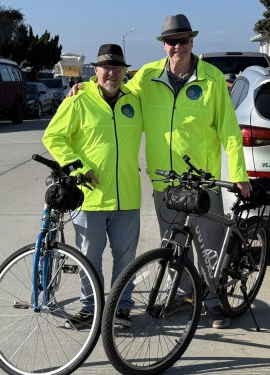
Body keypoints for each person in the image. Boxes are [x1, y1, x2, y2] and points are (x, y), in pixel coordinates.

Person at [68, 15, 251, 329]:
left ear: (193, 41)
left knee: (210, 246)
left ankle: (212, 301)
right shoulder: (148, 76)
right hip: (165, 181)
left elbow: (229, 131)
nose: (177, 46)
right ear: (164, 45)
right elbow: (115, 88)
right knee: (172, 246)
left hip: (201, 179)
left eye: (182, 40)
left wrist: (238, 172)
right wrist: (85, 87)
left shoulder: (212, 78)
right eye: (171, 41)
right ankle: (188, 295)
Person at [43, 44, 143, 329]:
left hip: (127, 196)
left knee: (125, 259)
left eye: (117, 67)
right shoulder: (79, 99)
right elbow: (53, 136)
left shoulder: (135, 101)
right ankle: (91, 309)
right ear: (95, 71)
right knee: (89, 258)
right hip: (89, 198)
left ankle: (121, 309)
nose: (111, 72)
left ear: (124, 71)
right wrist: (77, 167)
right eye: (105, 67)